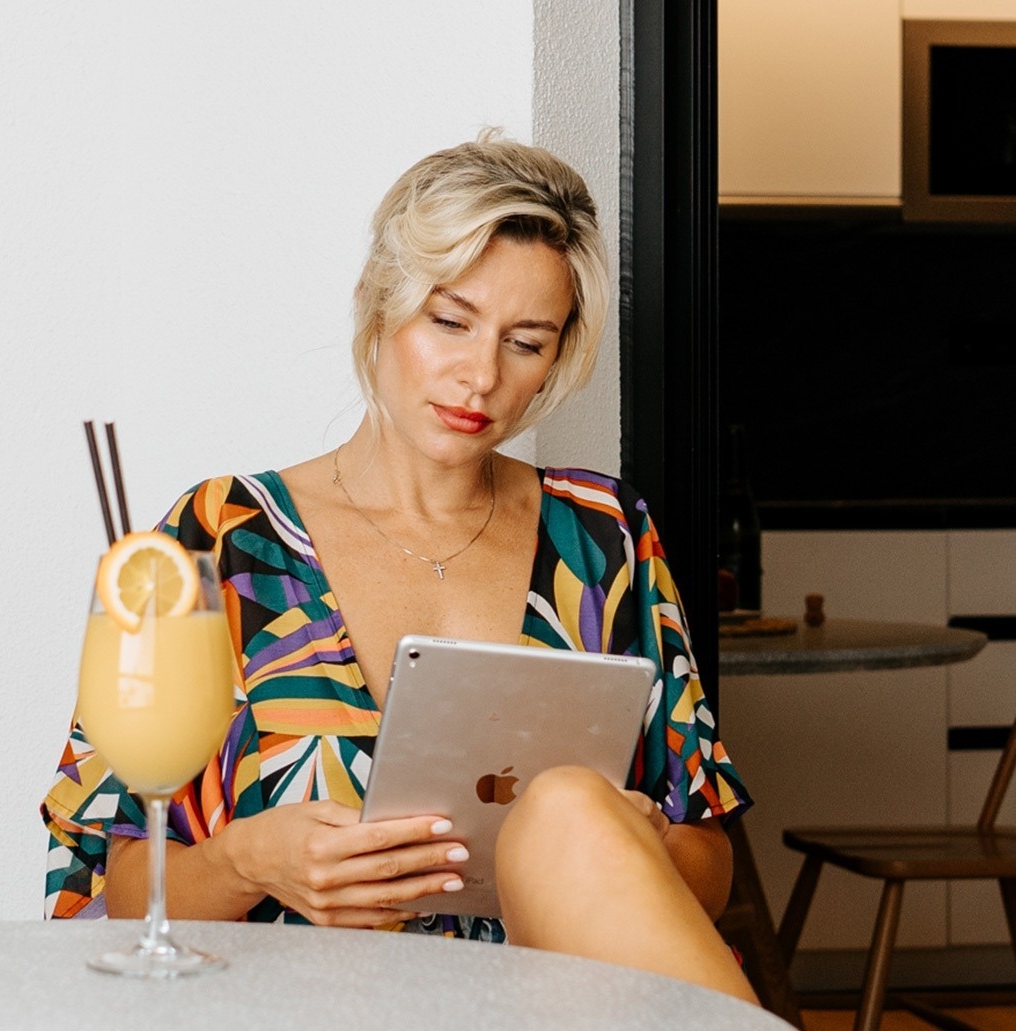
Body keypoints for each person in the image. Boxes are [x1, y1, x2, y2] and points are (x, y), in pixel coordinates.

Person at [42, 132, 756, 1004]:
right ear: (380, 304)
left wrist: (631, 835)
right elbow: (112, 897)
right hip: (298, 1008)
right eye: (449, 322)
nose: (480, 375)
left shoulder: (603, 536)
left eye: (525, 342)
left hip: (555, 1008)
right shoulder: (223, 537)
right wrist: (248, 859)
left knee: (570, 806)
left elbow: (709, 867)